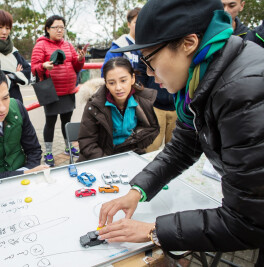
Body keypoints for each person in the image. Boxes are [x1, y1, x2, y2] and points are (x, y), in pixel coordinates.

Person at [97, 0, 264, 266]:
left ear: (189, 43)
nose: (149, 74)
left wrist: (154, 231)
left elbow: (248, 221)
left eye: (151, 61)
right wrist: (137, 190)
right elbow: (183, 146)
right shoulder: (203, 78)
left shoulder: (242, 93)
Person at [102, 8, 176, 152]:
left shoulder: (158, 43)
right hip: (146, 103)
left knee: (174, 147)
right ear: (129, 24)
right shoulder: (118, 47)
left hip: (172, 103)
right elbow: (108, 75)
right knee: (147, 146)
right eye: (137, 21)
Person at [77, 57, 159, 162]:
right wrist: (109, 161)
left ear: (133, 78)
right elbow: (87, 142)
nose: (118, 87)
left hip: (130, 157)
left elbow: (151, 129)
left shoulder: (144, 100)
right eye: (112, 83)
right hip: (99, 160)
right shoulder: (94, 105)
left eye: (123, 80)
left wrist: (134, 147)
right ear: (106, 83)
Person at [31, 15, 85, 167]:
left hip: (68, 91)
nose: (60, 30)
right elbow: (34, 67)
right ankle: (48, 152)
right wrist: (43, 66)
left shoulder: (68, 45)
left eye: (62, 27)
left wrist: (80, 59)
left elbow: (76, 66)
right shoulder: (41, 45)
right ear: (48, 29)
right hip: (51, 91)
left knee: (66, 122)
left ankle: (68, 147)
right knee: (50, 123)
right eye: (56, 27)